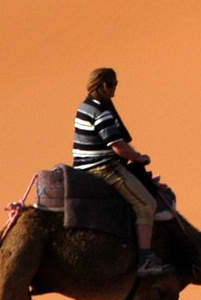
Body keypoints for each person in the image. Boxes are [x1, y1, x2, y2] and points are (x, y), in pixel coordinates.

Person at [72, 67, 168, 279]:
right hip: (102, 168)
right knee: (147, 204)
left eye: (116, 83)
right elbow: (118, 146)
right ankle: (146, 259)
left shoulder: (86, 106)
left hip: (87, 165)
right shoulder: (101, 111)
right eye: (111, 84)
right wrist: (139, 157)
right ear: (101, 86)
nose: (115, 88)